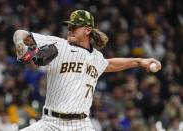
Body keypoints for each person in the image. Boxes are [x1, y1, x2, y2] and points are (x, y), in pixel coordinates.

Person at [13, 10, 161, 131]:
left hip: (81, 125)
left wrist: (140, 61)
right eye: (69, 26)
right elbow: (20, 33)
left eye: (74, 27)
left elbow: (110, 64)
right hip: (50, 123)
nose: (70, 29)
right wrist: (20, 43)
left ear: (88, 30)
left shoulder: (97, 58)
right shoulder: (59, 45)